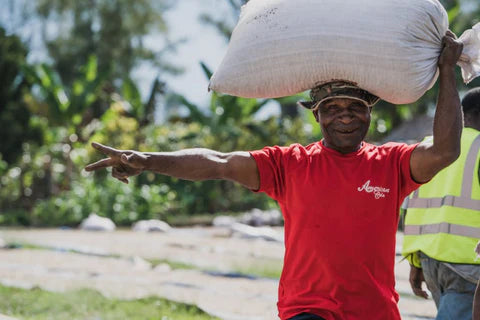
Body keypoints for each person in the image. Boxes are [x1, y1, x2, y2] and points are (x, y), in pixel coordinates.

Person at [85, 32, 463, 320]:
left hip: (374, 311)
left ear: (369, 115)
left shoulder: (391, 163)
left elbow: (445, 151)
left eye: (355, 107)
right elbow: (218, 162)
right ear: (316, 115)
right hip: (307, 309)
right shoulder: (289, 163)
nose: (344, 115)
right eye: (332, 107)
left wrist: (447, 72)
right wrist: (147, 160)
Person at [402, 87, 480, 320]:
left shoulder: (428, 146)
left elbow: (411, 206)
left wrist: (415, 262)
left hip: (430, 261)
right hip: (468, 264)